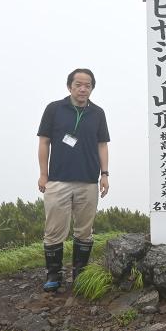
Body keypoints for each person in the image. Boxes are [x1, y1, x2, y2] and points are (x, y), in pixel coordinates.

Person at [37, 68, 110, 292]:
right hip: (58, 180)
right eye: (78, 84)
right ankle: (53, 274)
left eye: (87, 85)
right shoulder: (54, 109)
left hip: (88, 181)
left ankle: (80, 273)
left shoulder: (98, 113)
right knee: (54, 229)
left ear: (92, 88)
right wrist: (43, 174)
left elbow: (102, 145)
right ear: (69, 86)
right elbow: (44, 142)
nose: (82, 88)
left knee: (84, 230)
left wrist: (104, 174)